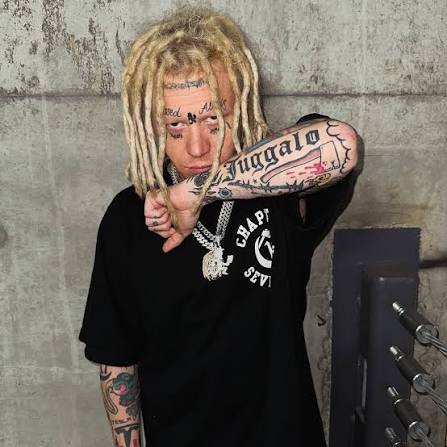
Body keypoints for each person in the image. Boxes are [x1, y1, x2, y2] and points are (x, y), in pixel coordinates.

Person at [79, 5, 359, 447]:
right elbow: (117, 359)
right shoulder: (127, 218)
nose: (197, 146)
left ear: (241, 107)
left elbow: (340, 144)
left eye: (214, 120)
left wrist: (195, 193)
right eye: (175, 125)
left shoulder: (279, 190)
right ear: (152, 125)